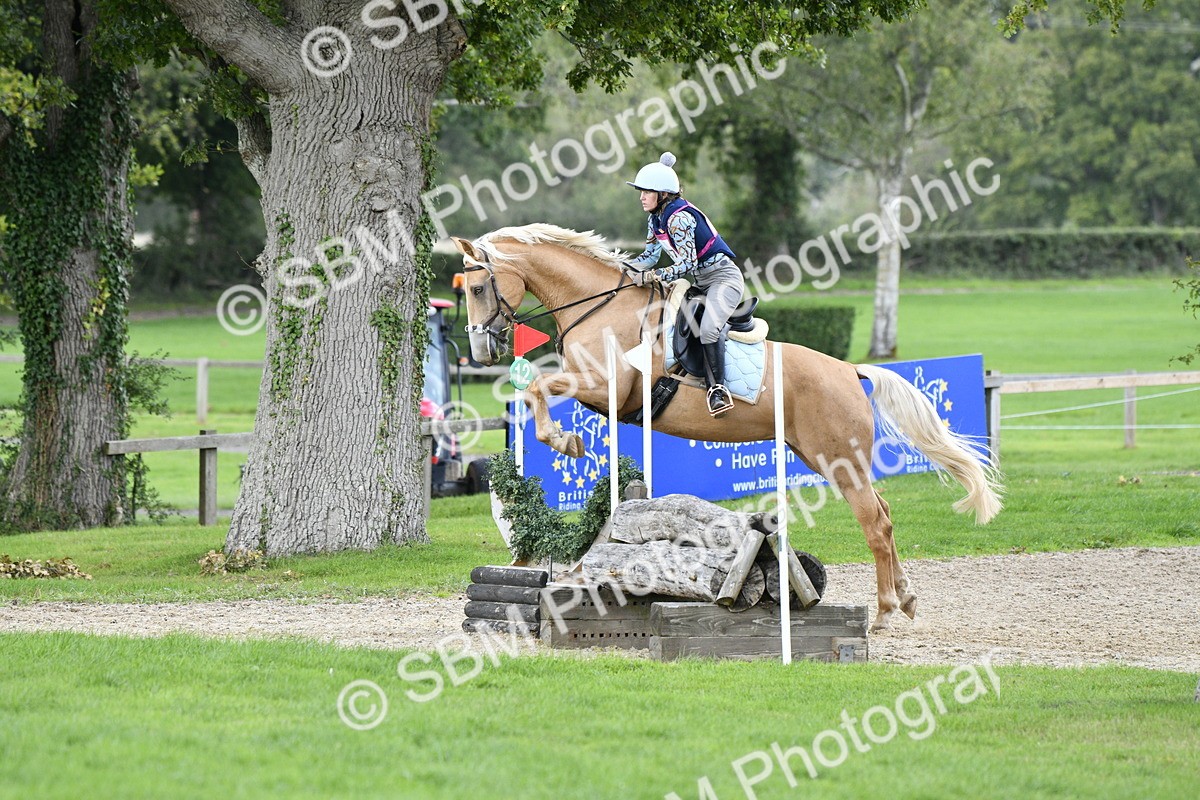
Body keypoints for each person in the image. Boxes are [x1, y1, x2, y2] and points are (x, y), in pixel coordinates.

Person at [623, 152, 744, 417]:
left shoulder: (679, 219)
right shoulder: (654, 219)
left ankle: (718, 391)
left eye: (646, 192)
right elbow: (650, 257)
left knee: (709, 329)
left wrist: (653, 276)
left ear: (663, 194)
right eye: (641, 191)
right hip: (701, 283)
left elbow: (686, 264)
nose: (641, 197)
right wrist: (620, 269)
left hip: (724, 279)